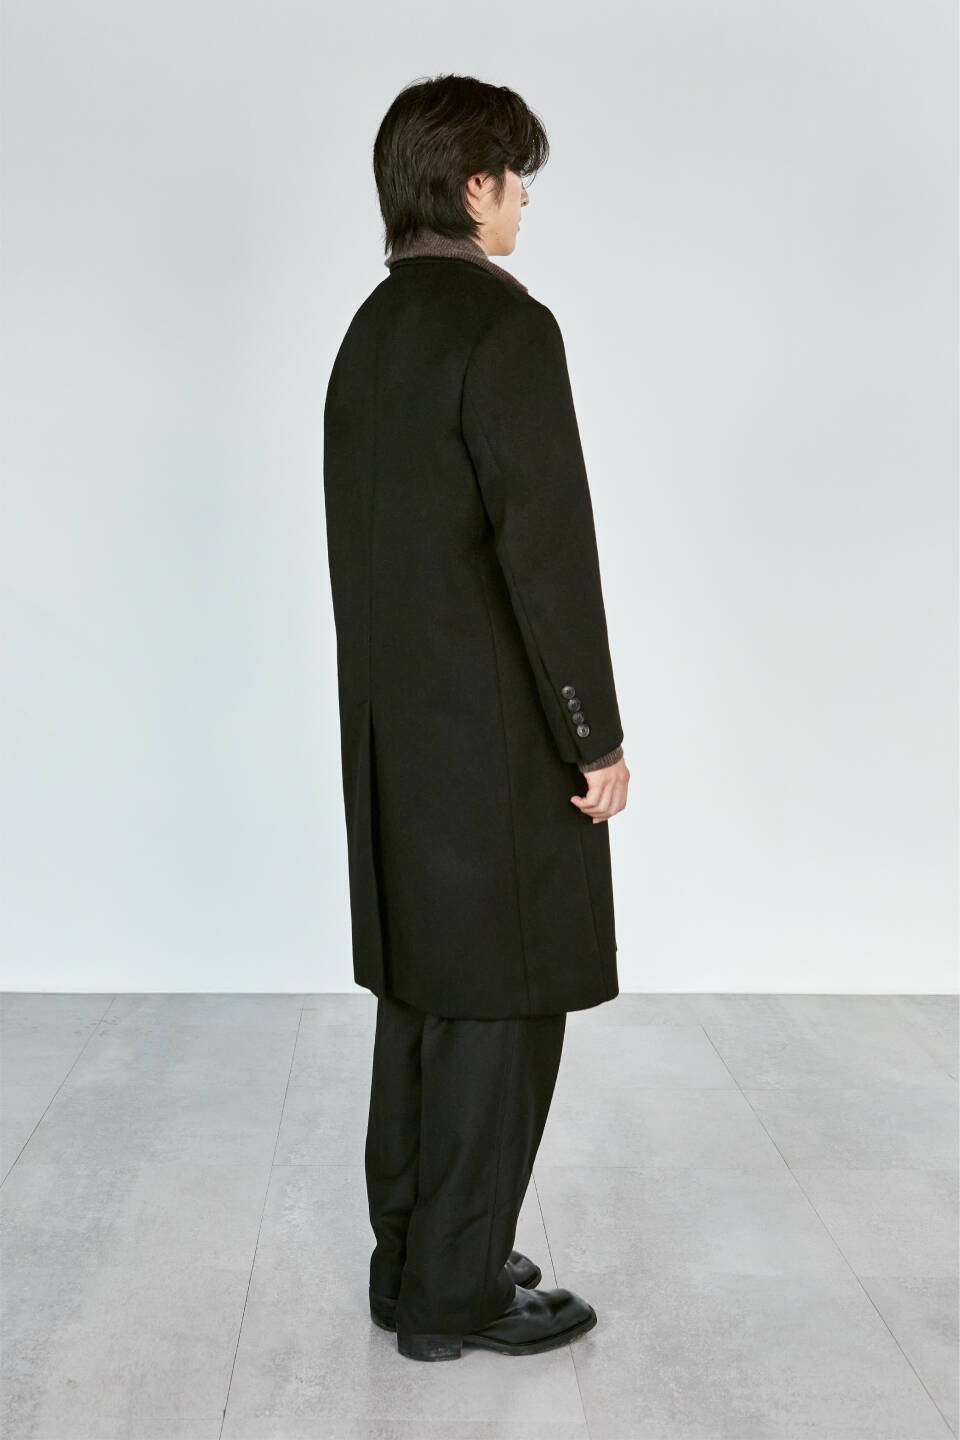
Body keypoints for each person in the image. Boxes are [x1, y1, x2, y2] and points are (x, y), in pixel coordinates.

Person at [322, 73, 630, 1361]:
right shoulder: (508, 329)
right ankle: (456, 1298)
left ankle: (412, 1265)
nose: (523, 205)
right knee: (502, 1013)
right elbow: (545, 555)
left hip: (394, 743)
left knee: (424, 1006)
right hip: (498, 745)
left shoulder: (371, 330)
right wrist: (594, 736)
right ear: (471, 186)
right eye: (516, 181)